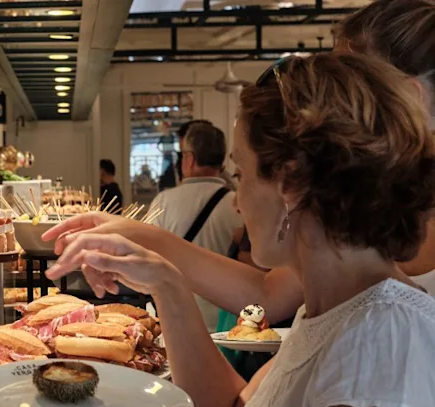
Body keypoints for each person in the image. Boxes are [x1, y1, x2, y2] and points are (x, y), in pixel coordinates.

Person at [49, 52, 435, 407]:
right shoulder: (329, 314)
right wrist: (167, 286)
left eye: (243, 173)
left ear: (290, 183)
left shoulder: (384, 333)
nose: (237, 197)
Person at [40, 0, 435, 326]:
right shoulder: (349, 230)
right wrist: (139, 240)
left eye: (344, 82)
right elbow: (266, 296)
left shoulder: (389, 312)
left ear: (410, 96)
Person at [149, 122, 243, 330]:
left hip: (176, 317)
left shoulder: (164, 201)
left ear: (189, 159)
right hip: (227, 321)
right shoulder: (237, 203)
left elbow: (146, 254)